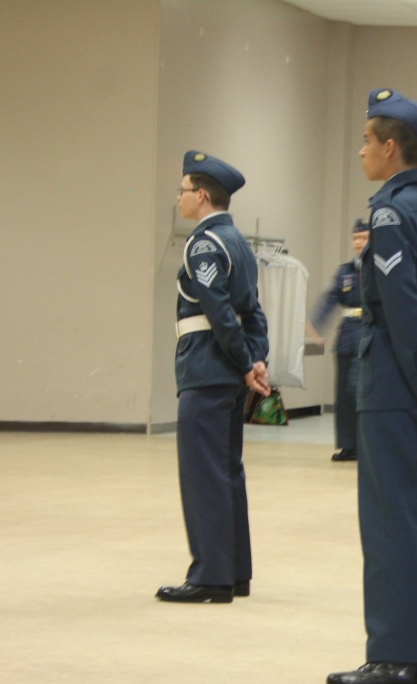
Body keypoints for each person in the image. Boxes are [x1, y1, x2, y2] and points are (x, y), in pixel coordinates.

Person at [324, 88, 417, 684]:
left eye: (366, 141)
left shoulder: (389, 214)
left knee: (388, 520)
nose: (360, 151)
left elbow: (404, 306)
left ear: (389, 147)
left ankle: (393, 658)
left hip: (392, 378)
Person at [157, 151, 270, 605]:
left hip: (207, 368)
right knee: (227, 471)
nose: (179, 198)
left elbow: (220, 313)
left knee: (204, 474)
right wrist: (255, 359)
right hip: (231, 372)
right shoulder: (237, 241)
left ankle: (210, 576)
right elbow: (253, 311)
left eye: (183, 190)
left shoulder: (204, 244)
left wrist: (244, 362)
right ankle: (235, 571)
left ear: (202, 195)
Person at [309, 218, 368, 462]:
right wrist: (316, 324)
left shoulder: (379, 268)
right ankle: (348, 445)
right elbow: (331, 299)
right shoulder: (346, 271)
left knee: (359, 389)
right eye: (355, 238)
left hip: (368, 334)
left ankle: (367, 444)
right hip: (346, 337)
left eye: (364, 238)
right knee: (344, 392)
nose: (358, 243)